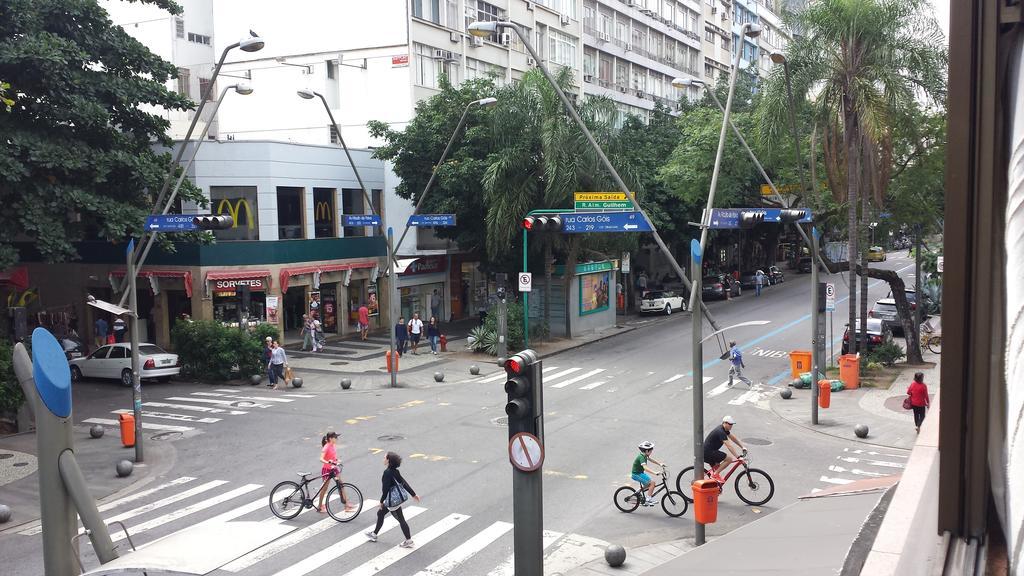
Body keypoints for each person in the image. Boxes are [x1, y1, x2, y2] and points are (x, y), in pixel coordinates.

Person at [365, 451, 420, 548]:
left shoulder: (387, 473)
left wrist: (381, 501)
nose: (383, 459)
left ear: (388, 461)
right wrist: (413, 494)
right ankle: (374, 534)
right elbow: (403, 482)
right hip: (395, 500)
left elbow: (385, 490)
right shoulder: (395, 471)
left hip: (392, 501)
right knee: (381, 513)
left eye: (384, 458)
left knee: (400, 519)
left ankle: (409, 540)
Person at [316, 432, 356, 513]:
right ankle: (319, 506)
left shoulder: (333, 445)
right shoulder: (326, 447)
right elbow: (321, 459)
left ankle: (346, 505)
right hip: (327, 469)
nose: (337, 439)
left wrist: (336, 460)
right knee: (324, 489)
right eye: (335, 437)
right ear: (331, 438)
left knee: (341, 485)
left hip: (334, 468)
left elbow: (333, 456)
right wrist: (328, 462)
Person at [704, 415, 746, 482]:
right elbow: (729, 446)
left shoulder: (724, 429)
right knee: (729, 459)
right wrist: (737, 456)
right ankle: (715, 475)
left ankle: (715, 486)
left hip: (709, 452)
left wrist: (742, 447)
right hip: (708, 453)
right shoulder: (720, 431)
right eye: (730, 424)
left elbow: (733, 438)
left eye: (732, 424)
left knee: (718, 467)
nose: (731, 426)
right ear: (725, 423)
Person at [631, 441, 664, 506]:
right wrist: (654, 472)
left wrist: (660, 464)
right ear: (646, 451)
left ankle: (637, 492)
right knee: (652, 483)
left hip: (640, 473)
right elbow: (645, 467)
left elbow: (651, 459)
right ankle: (648, 500)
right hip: (636, 474)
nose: (651, 452)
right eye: (650, 451)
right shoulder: (641, 457)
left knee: (649, 484)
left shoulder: (644, 455)